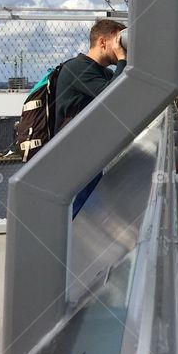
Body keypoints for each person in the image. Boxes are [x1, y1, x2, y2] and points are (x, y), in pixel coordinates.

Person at [55, 18, 127, 216]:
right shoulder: (78, 68)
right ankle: (63, 245)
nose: (122, 47)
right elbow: (112, 96)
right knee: (77, 208)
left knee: (85, 207)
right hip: (73, 155)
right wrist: (123, 59)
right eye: (118, 42)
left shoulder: (100, 72)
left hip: (86, 152)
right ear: (102, 42)